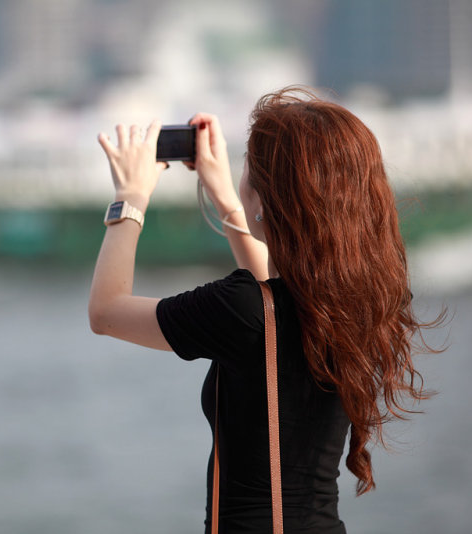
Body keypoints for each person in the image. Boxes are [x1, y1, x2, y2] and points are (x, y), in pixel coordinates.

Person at [89, 86, 441, 533]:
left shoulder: (242, 309)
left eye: (247, 168)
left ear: (266, 201)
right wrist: (223, 194)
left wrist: (130, 197)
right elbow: (267, 297)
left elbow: (105, 311)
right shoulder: (359, 300)